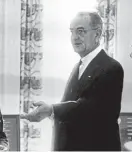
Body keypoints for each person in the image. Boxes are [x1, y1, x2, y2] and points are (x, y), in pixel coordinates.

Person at [21, 12, 124, 151]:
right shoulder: (79, 66)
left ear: (98, 34)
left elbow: (89, 108)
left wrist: (51, 110)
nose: (75, 37)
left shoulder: (111, 67)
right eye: (72, 32)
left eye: (81, 31)